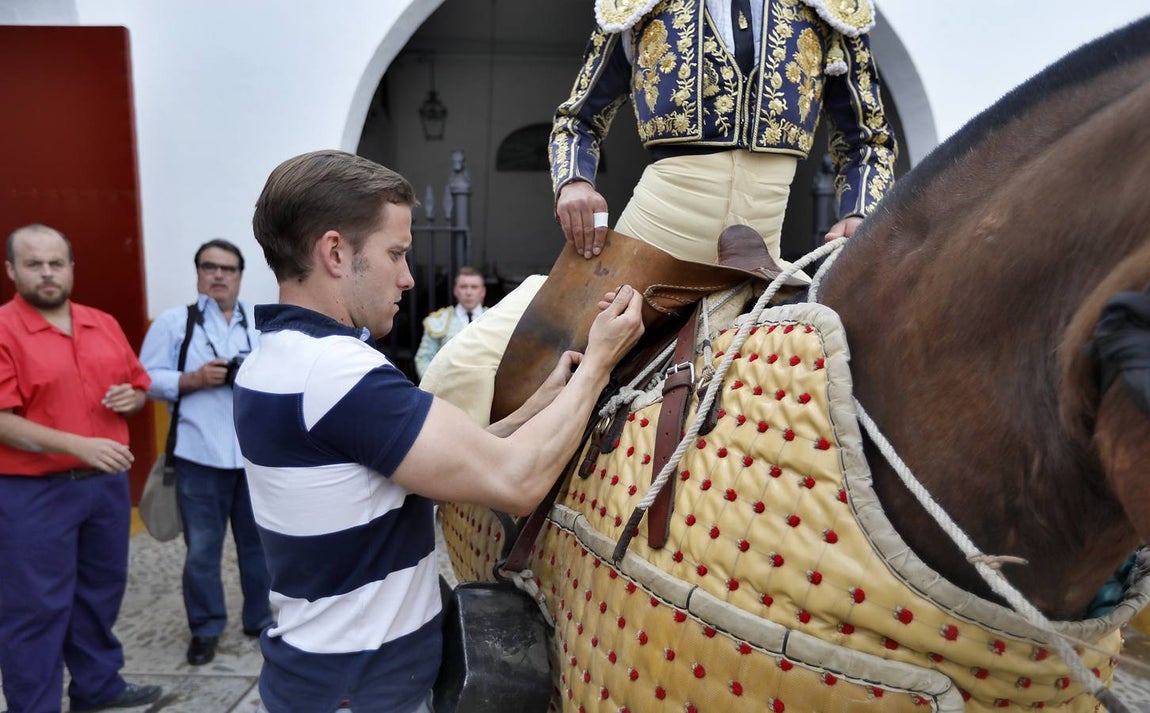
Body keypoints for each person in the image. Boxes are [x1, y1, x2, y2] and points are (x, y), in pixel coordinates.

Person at [234, 149, 643, 713]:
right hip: (365, 691)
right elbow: (517, 481)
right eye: (395, 253)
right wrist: (598, 364)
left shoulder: (276, 361)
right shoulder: (336, 375)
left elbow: (417, 469)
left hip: (321, 676)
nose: (406, 277)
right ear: (334, 251)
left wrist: (541, 403)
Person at [550, 0, 898, 263]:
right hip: (646, 254)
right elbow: (576, 121)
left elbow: (868, 140)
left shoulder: (829, 9)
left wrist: (860, 212)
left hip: (761, 269)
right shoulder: (637, 6)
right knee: (502, 347)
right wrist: (574, 181)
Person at [0, 224, 162, 713]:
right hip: (34, 493)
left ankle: (97, 687)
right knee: (35, 610)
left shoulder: (102, 322)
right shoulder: (5, 329)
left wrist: (132, 397)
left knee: (99, 595)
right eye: (34, 264)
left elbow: (137, 387)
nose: (47, 273)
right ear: (11, 270)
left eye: (56, 262)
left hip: (104, 490)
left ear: (71, 268)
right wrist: (80, 445)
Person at [137, 239, 273, 667]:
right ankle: (206, 628)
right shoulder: (176, 323)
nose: (218, 275)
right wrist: (191, 380)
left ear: (240, 275)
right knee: (201, 551)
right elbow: (144, 379)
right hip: (198, 456)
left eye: (227, 269)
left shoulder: (260, 322)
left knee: (260, 548)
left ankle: (260, 620)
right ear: (198, 273)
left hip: (252, 457)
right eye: (209, 267)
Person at [413, 266, 486, 379]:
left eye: (474, 287)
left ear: (482, 292)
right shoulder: (439, 320)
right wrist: (435, 387)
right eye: (463, 287)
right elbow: (423, 358)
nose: (468, 292)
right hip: (447, 390)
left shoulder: (494, 318)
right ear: (455, 290)